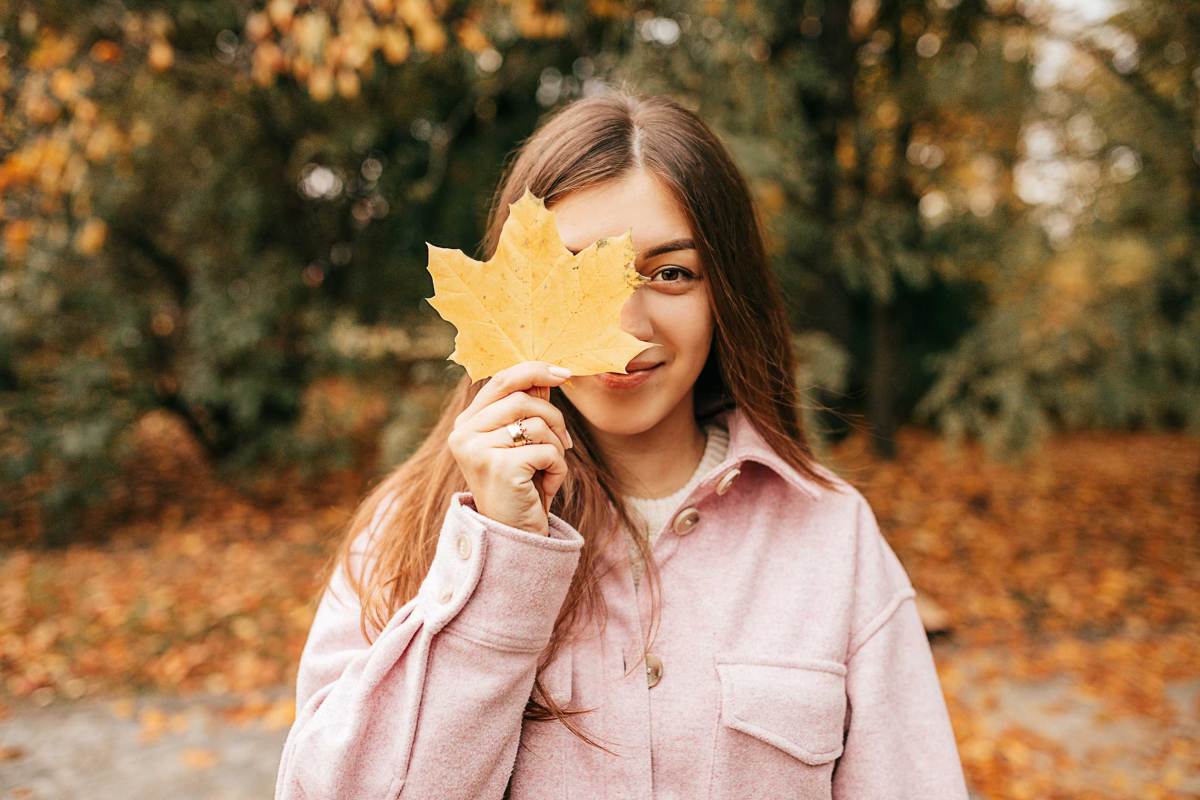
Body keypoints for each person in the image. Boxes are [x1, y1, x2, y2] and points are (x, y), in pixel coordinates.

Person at [274, 88, 969, 799]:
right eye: (578, 274)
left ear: (725, 291)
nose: (626, 327)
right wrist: (500, 563)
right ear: (517, 295)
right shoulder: (409, 534)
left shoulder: (830, 535)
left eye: (670, 273)